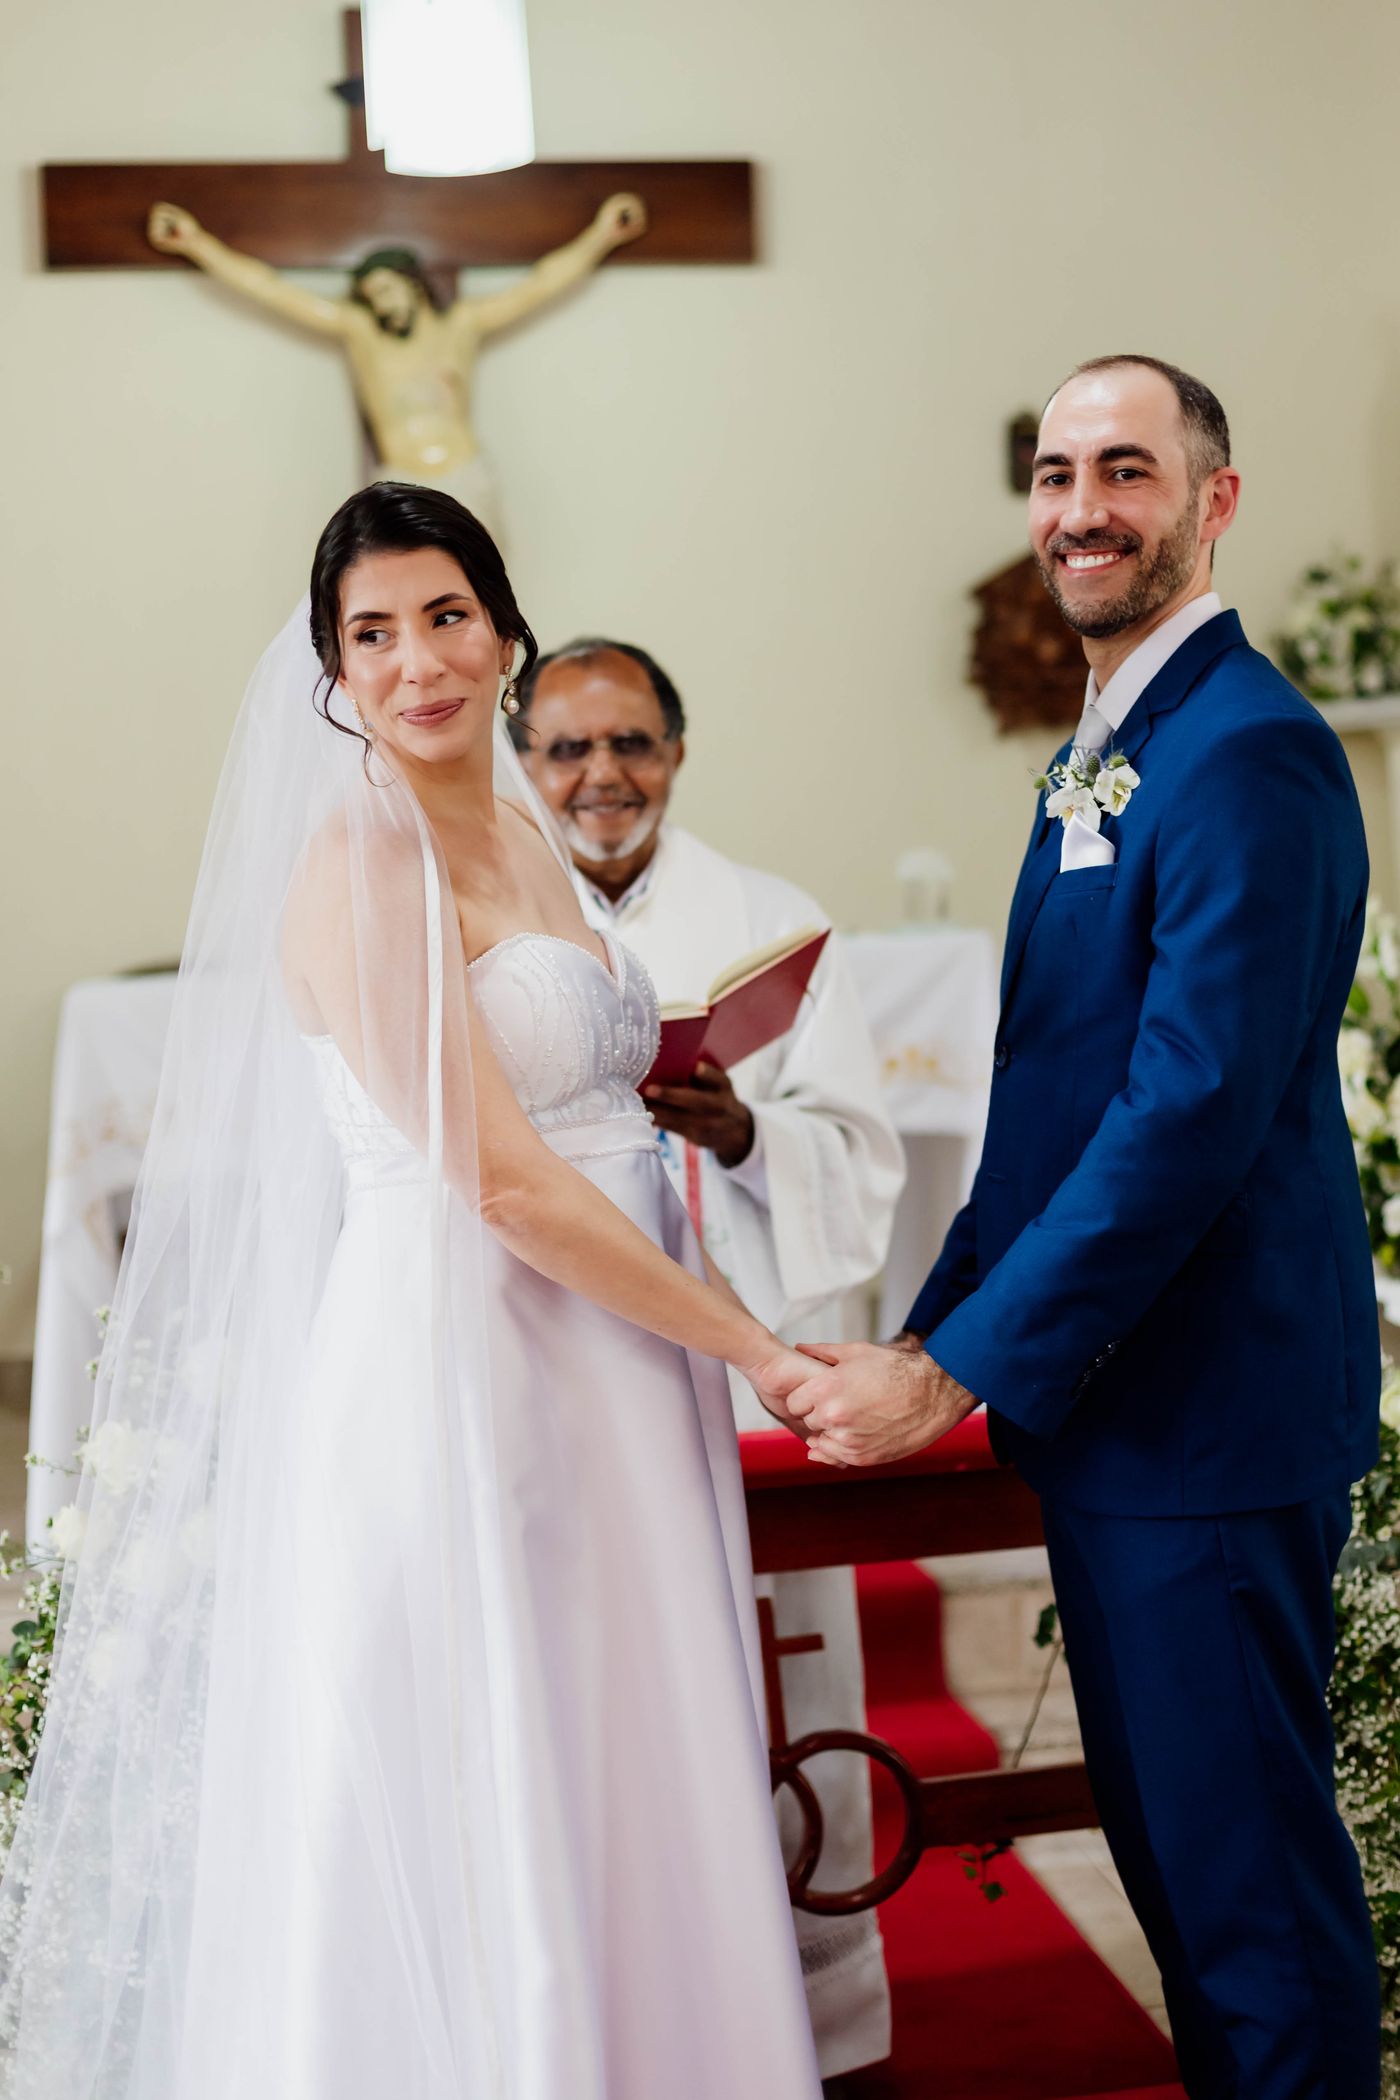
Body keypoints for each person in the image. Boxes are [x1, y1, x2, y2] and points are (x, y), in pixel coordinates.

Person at [0, 484, 825, 2099]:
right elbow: (499, 1179)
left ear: (505, 633)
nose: (416, 662)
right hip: (472, 1357)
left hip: (617, 1353)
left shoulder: (523, 828)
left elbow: (577, 1101)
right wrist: (761, 1354)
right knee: (495, 1751)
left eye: (445, 617)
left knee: (622, 1742)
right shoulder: (360, 863)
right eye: (370, 634)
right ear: (332, 671)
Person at [787, 356, 1383, 2100]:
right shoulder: (1107, 751)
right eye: (1056, 474)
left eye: (1127, 469)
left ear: (1216, 499)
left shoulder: (1249, 751)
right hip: (1129, 1421)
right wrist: (931, 1328)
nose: (1081, 509)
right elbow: (1053, 1099)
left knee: (1251, 1903)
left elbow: (1187, 1115)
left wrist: (958, 1370)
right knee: (1184, 1886)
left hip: (1209, 1419)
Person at [514, 639, 906, 2086]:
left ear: (675, 751)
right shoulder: (495, 915)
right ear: (526, 764)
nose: (600, 775)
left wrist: (744, 1135)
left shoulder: (771, 923)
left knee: (781, 1667)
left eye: (630, 742)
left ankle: (821, 2013)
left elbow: (861, 1160)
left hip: (748, 1362)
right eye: (566, 748)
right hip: (563, 1357)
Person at [145, 195, 647, 532]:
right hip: (402, 479)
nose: (381, 303)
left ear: (413, 284)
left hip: (466, 475)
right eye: (372, 295)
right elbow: (271, 290)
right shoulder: (362, 333)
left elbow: (539, 285)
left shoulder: (461, 326)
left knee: (482, 598)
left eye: (387, 289)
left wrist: (602, 235)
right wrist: (196, 243)